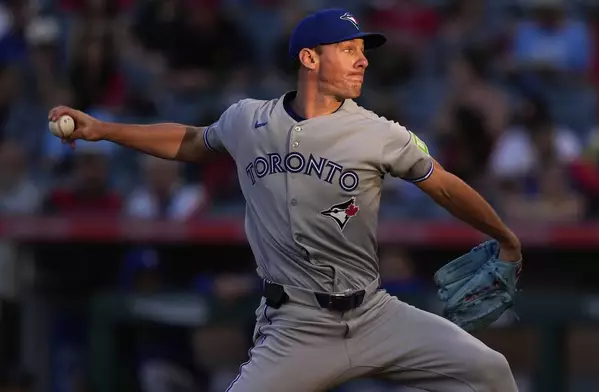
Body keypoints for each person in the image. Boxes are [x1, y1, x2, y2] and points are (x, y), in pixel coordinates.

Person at [48, 8, 522, 392]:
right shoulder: (247, 120)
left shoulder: (379, 133)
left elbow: (443, 184)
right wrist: (103, 130)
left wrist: (503, 236)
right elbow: (192, 141)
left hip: (376, 315)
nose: (363, 61)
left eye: (363, 51)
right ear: (310, 59)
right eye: (349, 50)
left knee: (492, 372)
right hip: (297, 325)